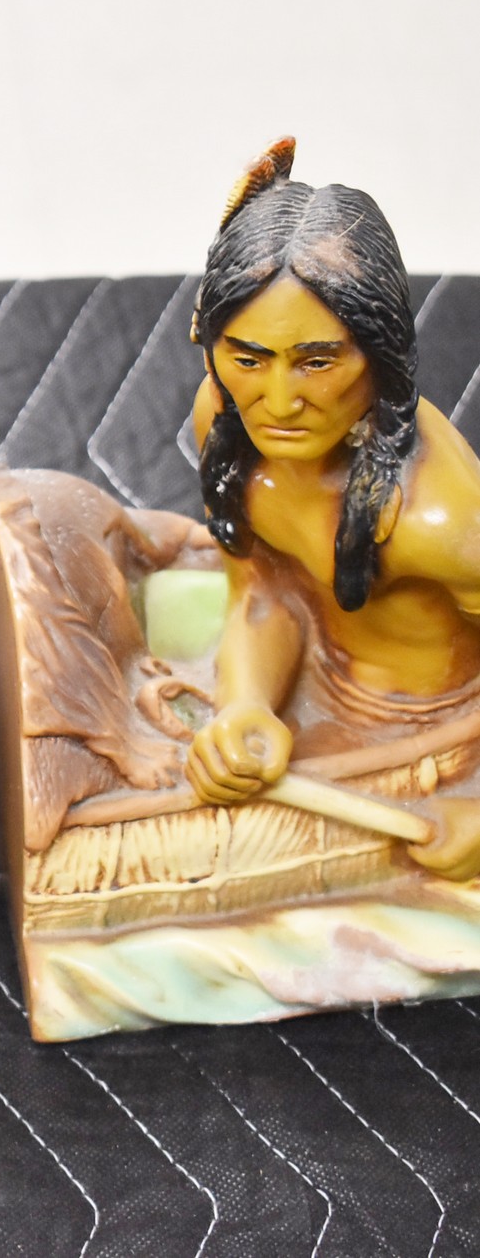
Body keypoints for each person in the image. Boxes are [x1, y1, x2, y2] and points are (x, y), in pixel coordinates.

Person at [185, 140, 480, 877]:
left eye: (317, 362)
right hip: (308, 675)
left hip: (433, 733)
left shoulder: (438, 520)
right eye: (248, 359)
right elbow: (262, 589)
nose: (279, 402)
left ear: (380, 357)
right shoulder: (225, 426)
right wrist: (246, 706)